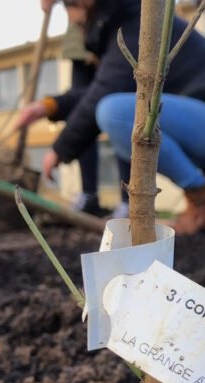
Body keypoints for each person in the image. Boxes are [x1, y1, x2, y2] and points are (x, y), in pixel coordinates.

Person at [18, 0, 205, 235]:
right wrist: (48, 106)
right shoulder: (130, 20)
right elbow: (102, 87)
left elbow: (104, 93)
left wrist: (59, 149)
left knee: (113, 112)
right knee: (116, 106)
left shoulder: (136, 26)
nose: (78, 29)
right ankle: (203, 203)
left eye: (79, 22)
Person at [40, 0, 132, 219]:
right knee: (83, 111)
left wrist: (60, 148)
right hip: (81, 35)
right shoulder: (79, 26)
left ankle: (130, 200)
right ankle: (89, 195)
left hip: (116, 24)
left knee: (123, 109)